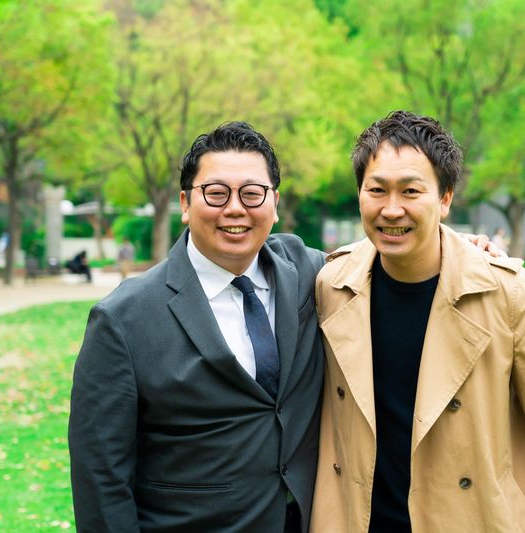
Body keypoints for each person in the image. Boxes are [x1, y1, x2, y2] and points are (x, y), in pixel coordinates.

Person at [69, 121, 497, 533]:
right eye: (216, 193)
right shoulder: (123, 319)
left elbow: (389, 248)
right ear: (185, 203)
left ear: (274, 204)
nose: (234, 208)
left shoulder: (311, 274)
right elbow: (100, 478)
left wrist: (456, 249)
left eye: (252, 193)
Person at [310, 111, 525, 532]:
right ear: (360, 194)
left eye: (411, 191)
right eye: (377, 190)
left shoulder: (506, 293)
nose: (392, 209)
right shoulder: (332, 284)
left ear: (445, 199)